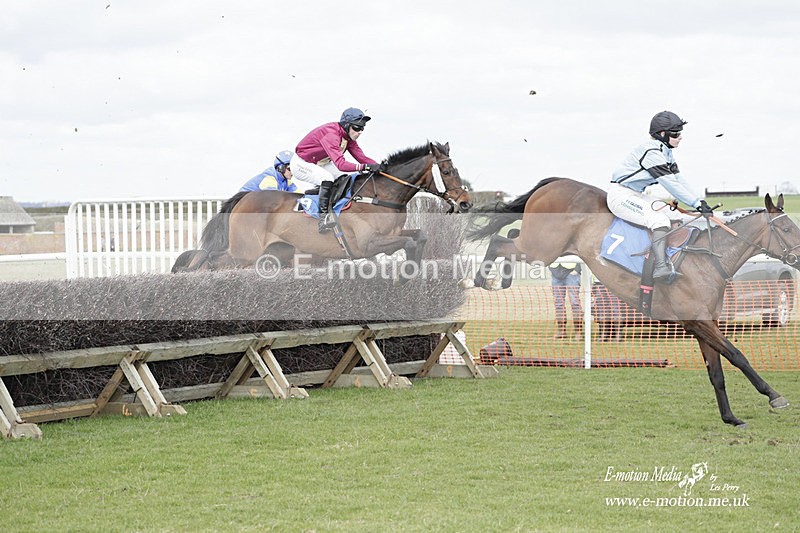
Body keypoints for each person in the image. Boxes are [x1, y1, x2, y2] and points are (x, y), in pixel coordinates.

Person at [608, 110, 714, 283]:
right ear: (663, 134)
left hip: (636, 194)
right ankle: (660, 267)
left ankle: (673, 256)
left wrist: (701, 201)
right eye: (676, 133)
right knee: (660, 221)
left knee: (674, 214)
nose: (680, 137)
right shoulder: (651, 152)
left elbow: (679, 180)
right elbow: (670, 183)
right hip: (620, 195)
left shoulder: (666, 152)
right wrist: (695, 204)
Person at [292, 107, 381, 232]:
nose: (359, 131)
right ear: (346, 125)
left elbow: (361, 157)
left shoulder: (348, 137)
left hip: (321, 163)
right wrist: (364, 167)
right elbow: (340, 164)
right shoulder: (331, 135)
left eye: (362, 128)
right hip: (301, 163)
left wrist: (381, 167)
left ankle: (335, 208)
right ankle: (323, 219)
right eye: (356, 127)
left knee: (345, 177)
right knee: (327, 178)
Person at [550, 262, 583, 341]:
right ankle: (561, 331)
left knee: (575, 303)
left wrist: (576, 269)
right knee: (558, 304)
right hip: (555, 272)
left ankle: (578, 332)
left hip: (571, 273)